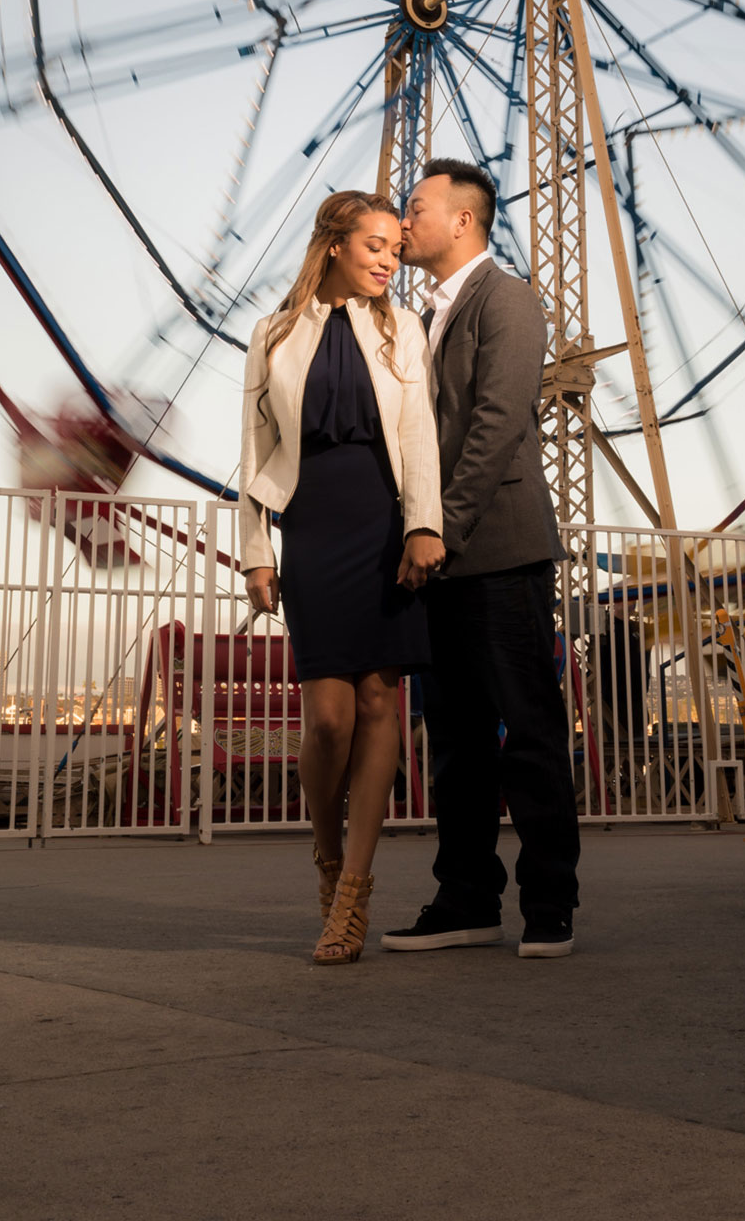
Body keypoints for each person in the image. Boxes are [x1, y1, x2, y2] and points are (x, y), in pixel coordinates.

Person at [381, 158, 580, 960]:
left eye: (416, 206)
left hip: (496, 548)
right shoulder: (414, 317)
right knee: (456, 742)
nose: (403, 221)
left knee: (527, 730)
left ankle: (549, 903)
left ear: (463, 220)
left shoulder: (509, 300)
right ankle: (466, 898)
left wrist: (440, 528)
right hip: (437, 558)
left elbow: (497, 424)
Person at [239, 190, 443, 966]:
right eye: (376, 245)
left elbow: (418, 429)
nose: (391, 257)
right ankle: (327, 858)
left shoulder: (403, 327)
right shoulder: (274, 333)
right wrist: (257, 547)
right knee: (326, 718)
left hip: (383, 518)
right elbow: (255, 446)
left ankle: (353, 892)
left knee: (377, 700)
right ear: (333, 246)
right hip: (313, 521)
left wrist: (425, 522)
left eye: (396, 245)